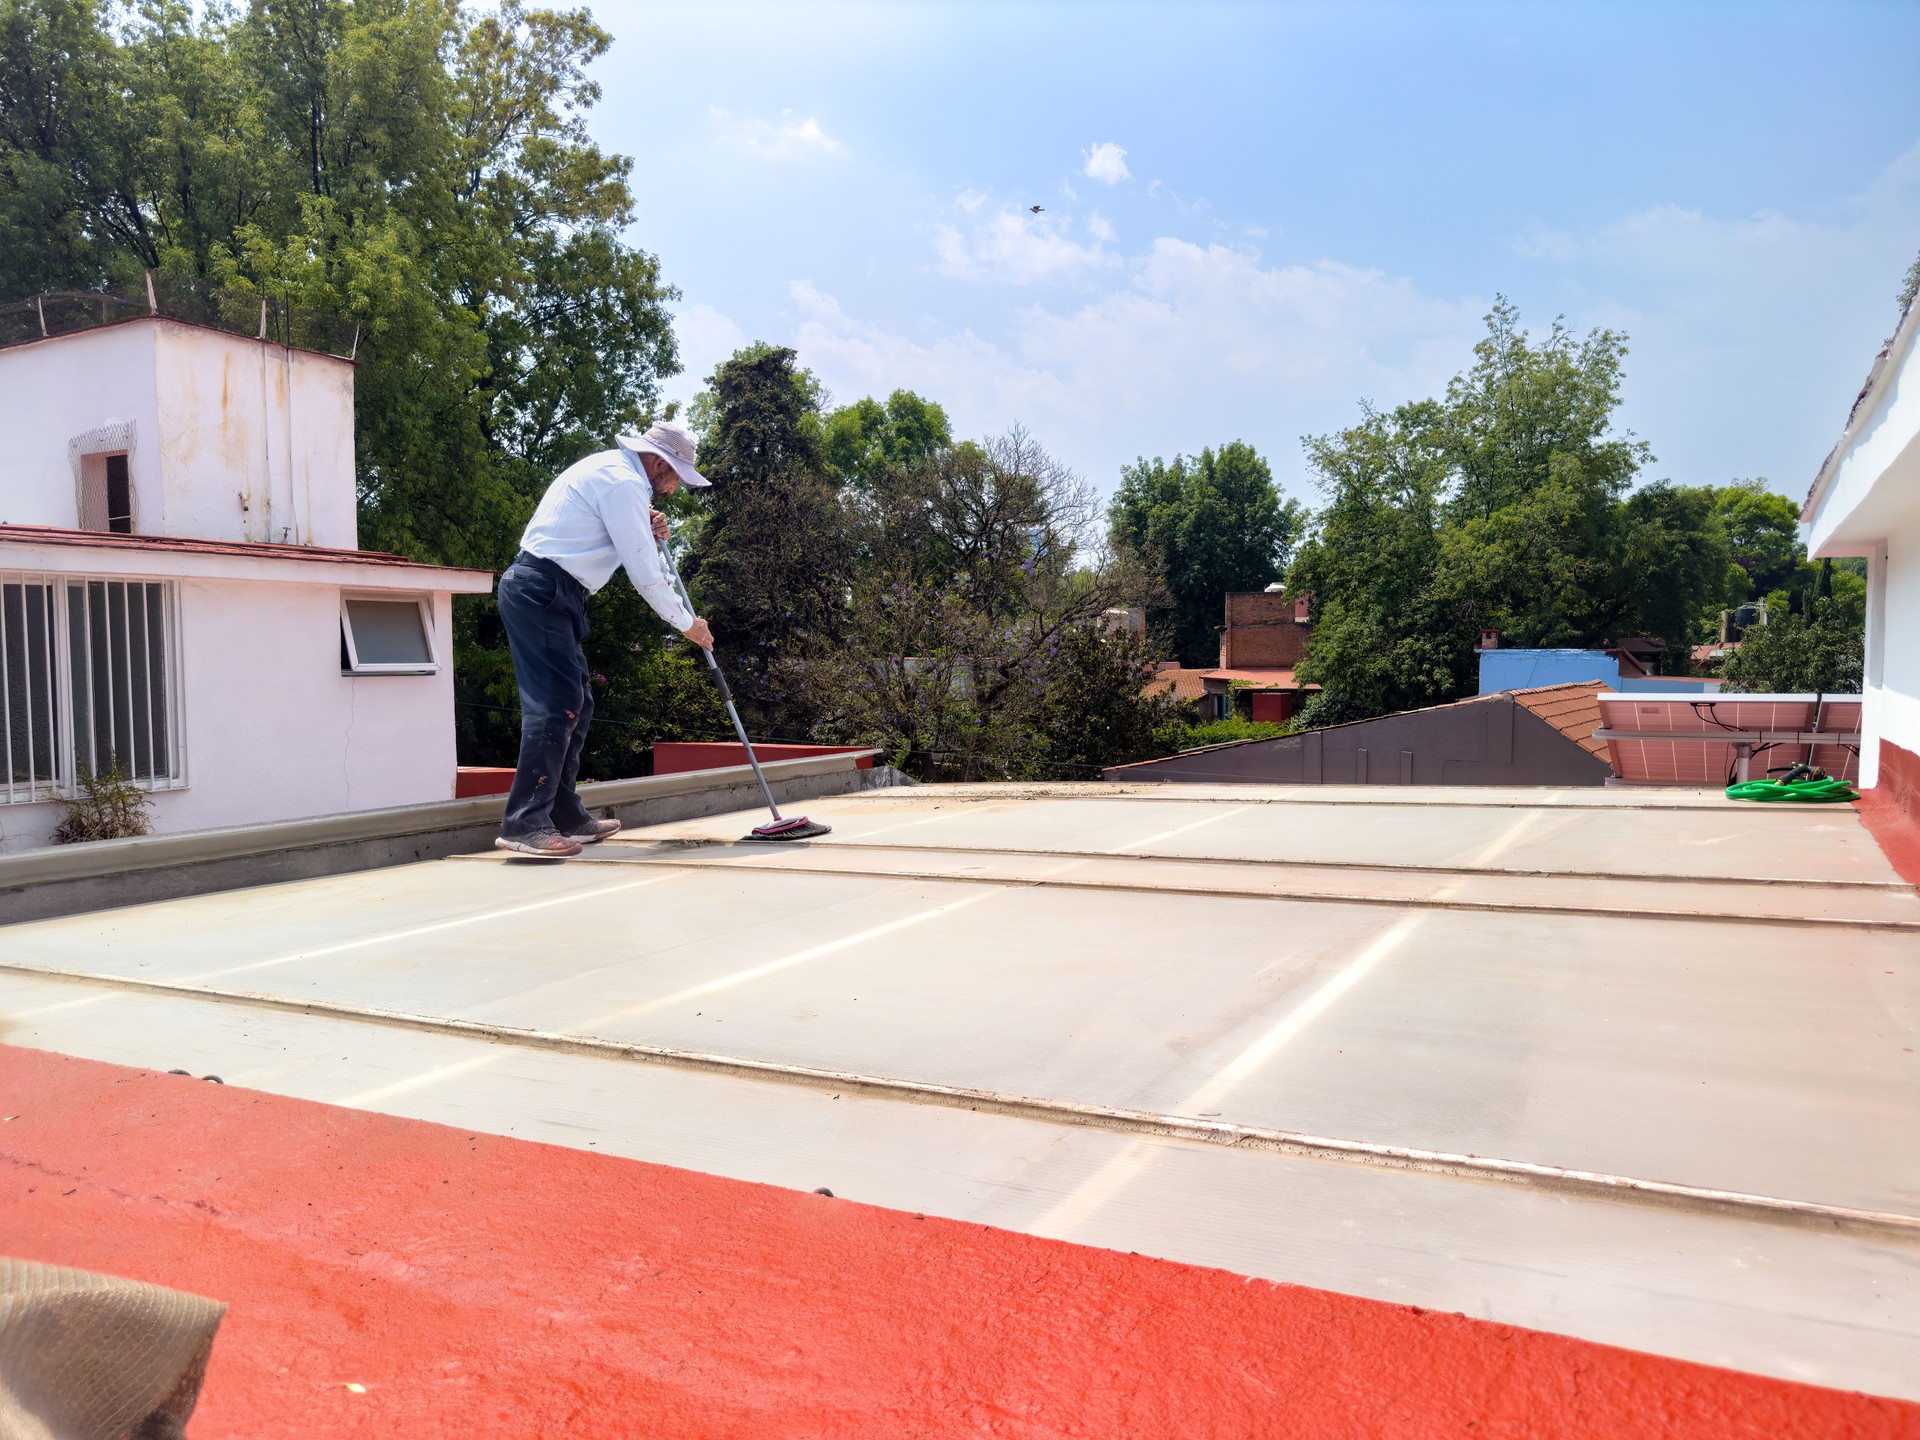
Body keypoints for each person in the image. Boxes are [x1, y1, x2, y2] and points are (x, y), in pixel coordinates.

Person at [494, 420, 715, 857]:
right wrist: (686, 622)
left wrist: (645, 529)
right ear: (657, 463)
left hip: (555, 591)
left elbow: (629, 546)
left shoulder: (617, 476)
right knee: (557, 705)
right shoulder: (622, 484)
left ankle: (564, 816)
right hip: (542, 589)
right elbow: (644, 574)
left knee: (579, 701)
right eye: (673, 478)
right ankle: (523, 824)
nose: (671, 490)